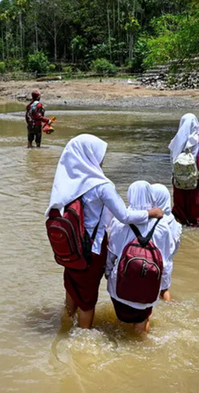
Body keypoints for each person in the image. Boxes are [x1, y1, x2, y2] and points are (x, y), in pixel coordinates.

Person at [47, 135, 164, 329]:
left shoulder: (67, 182)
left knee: (72, 288)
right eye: (100, 154)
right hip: (92, 251)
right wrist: (151, 213)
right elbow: (124, 215)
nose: (102, 159)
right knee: (87, 299)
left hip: (71, 248)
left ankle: (66, 325)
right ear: (90, 155)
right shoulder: (102, 186)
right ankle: (82, 340)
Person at [106, 181, 181, 336]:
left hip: (118, 287)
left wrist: (108, 275)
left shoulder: (120, 223)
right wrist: (162, 287)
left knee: (121, 321)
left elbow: (111, 256)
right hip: (148, 289)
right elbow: (165, 263)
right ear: (151, 197)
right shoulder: (162, 227)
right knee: (142, 322)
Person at [168, 113, 199, 226]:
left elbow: (172, 159)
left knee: (179, 200)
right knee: (193, 200)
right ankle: (193, 220)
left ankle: (179, 220)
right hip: (194, 176)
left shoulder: (176, 140)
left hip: (178, 176)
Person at [151, 183, 183, 302]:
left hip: (149, 263)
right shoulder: (174, 222)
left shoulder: (151, 221)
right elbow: (175, 247)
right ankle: (169, 308)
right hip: (166, 262)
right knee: (164, 290)